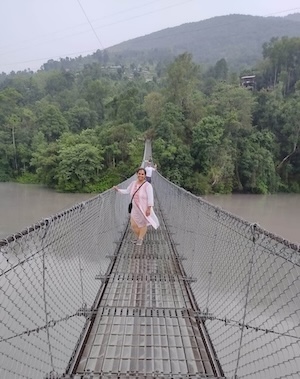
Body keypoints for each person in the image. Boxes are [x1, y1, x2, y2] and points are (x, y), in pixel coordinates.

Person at [114, 168, 159, 246]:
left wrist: (149, 208)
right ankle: (139, 237)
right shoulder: (133, 183)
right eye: (139, 173)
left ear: (145, 175)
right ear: (136, 174)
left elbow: (151, 197)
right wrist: (118, 190)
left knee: (143, 223)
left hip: (144, 208)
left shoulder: (148, 185)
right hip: (135, 208)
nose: (141, 175)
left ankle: (140, 239)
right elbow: (127, 191)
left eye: (142, 174)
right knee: (133, 225)